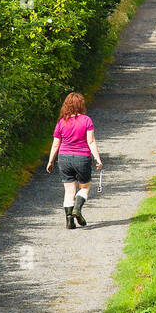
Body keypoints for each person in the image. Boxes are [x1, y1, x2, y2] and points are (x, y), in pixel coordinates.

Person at [46, 92, 103, 230]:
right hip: (82, 158)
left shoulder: (61, 122)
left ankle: (69, 221)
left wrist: (50, 161)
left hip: (64, 158)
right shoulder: (86, 120)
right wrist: (98, 159)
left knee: (69, 190)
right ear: (81, 105)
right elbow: (91, 141)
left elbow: (55, 144)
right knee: (85, 187)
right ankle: (77, 208)